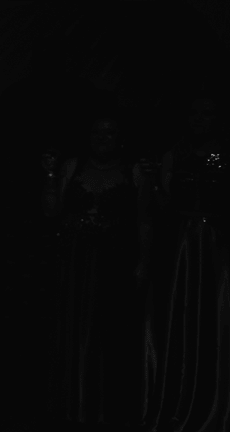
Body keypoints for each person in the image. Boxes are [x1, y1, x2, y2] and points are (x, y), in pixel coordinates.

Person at [42, 114, 151, 431]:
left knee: (110, 331)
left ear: (120, 137)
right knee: (73, 329)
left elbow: (145, 220)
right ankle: (71, 404)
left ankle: (106, 407)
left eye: (110, 132)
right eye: (96, 132)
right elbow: (50, 211)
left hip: (114, 263)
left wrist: (145, 262)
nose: (102, 137)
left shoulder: (134, 172)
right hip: (74, 262)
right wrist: (49, 173)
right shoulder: (71, 167)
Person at [143, 94, 230, 432]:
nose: (198, 120)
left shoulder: (225, 152)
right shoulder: (172, 155)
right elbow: (162, 204)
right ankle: (177, 398)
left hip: (217, 246)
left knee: (214, 315)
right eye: (193, 114)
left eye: (205, 114)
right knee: (181, 315)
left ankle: (215, 400)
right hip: (180, 247)